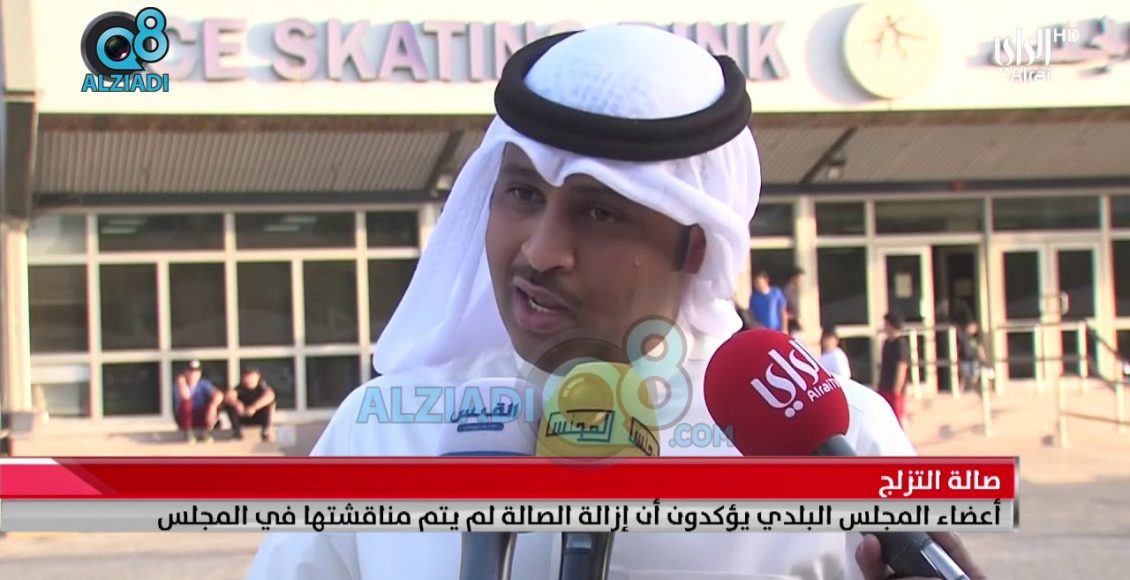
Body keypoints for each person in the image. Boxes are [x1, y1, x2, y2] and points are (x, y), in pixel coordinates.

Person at [248, 25, 981, 580]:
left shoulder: (839, 445)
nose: (541, 251)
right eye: (522, 193)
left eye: (599, 213)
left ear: (694, 248)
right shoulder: (384, 433)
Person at [174, 360, 222, 444]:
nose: (193, 374)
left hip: (199, 416)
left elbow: (219, 395)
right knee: (186, 402)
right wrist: (181, 382)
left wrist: (213, 406)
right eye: (190, 371)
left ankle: (205, 432)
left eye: (196, 372)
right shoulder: (180, 385)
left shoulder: (203, 384)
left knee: (215, 402)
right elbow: (185, 395)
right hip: (184, 418)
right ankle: (188, 433)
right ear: (186, 372)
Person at [877, 312, 911, 428]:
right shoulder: (887, 342)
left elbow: (902, 366)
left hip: (894, 388)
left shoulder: (901, 343)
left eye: (886, 324)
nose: (885, 326)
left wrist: (897, 388)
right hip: (884, 386)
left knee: (897, 417)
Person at [225, 367, 277, 442]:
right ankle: (237, 432)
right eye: (246, 376)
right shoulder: (239, 388)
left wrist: (254, 407)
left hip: (258, 416)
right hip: (242, 416)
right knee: (229, 405)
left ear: (257, 377)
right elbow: (228, 396)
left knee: (269, 405)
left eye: (251, 376)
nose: (249, 379)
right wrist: (237, 404)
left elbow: (270, 395)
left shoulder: (262, 387)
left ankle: (265, 431)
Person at [747, 268, 788, 333]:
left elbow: (783, 312)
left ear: (766, 280)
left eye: (758, 282)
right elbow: (751, 315)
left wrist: (784, 328)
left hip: (777, 330)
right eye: (755, 283)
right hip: (762, 331)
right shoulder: (754, 298)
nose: (756, 285)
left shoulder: (776, 293)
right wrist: (756, 325)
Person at [957, 319, 987, 393]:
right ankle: (960, 390)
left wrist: (983, 358)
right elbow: (959, 347)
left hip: (974, 358)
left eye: (974, 328)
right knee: (964, 375)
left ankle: (974, 388)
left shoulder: (976, 338)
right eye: (971, 327)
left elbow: (980, 348)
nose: (972, 329)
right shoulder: (963, 337)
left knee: (975, 374)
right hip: (965, 358)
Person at [783, 266, 804, 338]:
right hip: (790, 323)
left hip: (794, 321)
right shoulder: (788, 290)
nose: (800, 280)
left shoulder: (795, 289)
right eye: (799, 277)